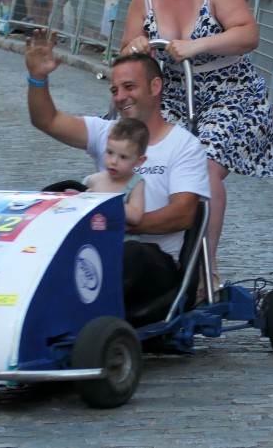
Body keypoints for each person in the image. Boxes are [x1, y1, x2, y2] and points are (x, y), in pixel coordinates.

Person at [120, 0, 273, 287]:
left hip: (230, 92)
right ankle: (155, 263)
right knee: (152, 167)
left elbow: (248, 34)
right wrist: (137, 46)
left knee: (204, 167)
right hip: (177, 95)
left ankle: (203, 272)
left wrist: (198, 45)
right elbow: (125, 53)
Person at [24, 39, 211, 310]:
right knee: (62, 189)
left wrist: (114, 224)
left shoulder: (183, 145)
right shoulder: (106, 132)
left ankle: (74, 303)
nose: (121, 97)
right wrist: (37, 78)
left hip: (154, 262)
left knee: (129, 254)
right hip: (102, 248)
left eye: (129, 87)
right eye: (115, 90)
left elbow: (182, 215)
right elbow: (47, 120)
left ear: (155, 87)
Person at [82, 117, 149, 231]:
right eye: (110, 153)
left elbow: (136, 216)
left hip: (121, 243)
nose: (113, 161)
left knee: (134, 248)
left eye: (123, 157)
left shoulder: (136, 183)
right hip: (93, 239)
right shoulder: (92, 180)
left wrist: (106, 200)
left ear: (139, 161)